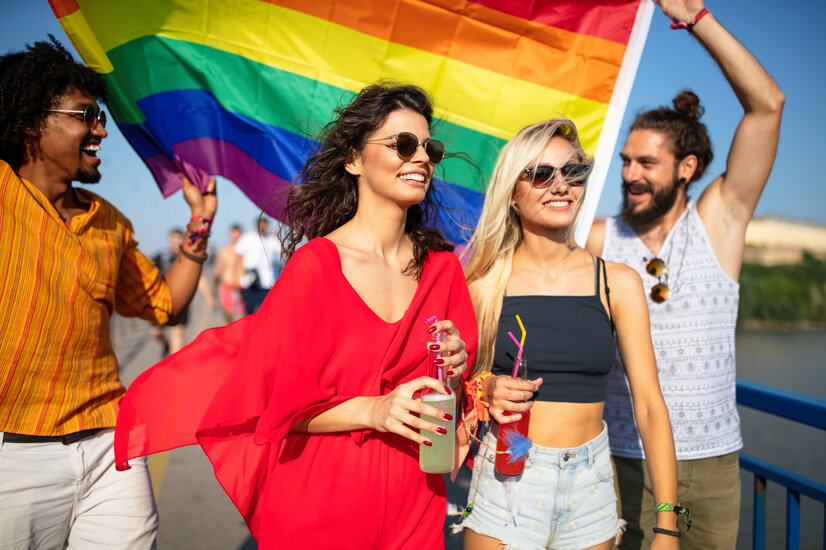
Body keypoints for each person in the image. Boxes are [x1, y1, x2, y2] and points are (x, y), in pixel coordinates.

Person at [114, 83, 477, 549]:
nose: (422, 157)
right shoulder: (316, 266)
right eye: (402, 144)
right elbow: (277, 410)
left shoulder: (443, 267)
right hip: (320, 504)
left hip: (416, 501)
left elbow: (462, 391)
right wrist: (375, 409)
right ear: (353, 160)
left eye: (430, 147)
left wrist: (460, 366)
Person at [0, 37, 217, 548]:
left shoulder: (110, 223)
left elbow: (166, 304)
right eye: (87, 115)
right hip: (13, 460)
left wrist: (201, 220)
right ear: (32, 122)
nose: (101, 130)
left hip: (111, 451)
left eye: (100, 117)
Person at [585, 2, 785, 548]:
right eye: (626, 161)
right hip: (621, 456)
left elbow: (767, 106)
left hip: (712, 465)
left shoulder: (719, 221)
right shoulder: (600, 238)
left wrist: (696, 16)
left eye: (646, 163)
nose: (629, 175)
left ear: (686, 168)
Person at [458, 118, 680, 550]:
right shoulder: (483, 284)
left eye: (573, 172)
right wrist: (487, 388)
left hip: (589, 482)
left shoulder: (618, 282)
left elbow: (651, 405)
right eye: (542, 174)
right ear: (513, 191)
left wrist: (667, 525)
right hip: (508, 474)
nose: (561, 185)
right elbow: (456, 390)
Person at [150, 228, 217, 356]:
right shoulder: (160, 257)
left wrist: (209, 297)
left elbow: (199, 278)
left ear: (182, 240)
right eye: (173, 239)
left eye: (178, 239)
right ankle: (166, 344)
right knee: (155, 332)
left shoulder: (187, 258)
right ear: (169, 240)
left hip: (180, 299)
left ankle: (174, 365)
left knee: (177, 333)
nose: (175, 242)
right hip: (160, 300)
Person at [235, 216, 281, 314]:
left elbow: (283, 254)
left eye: (265, 224)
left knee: (266, 314)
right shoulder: (247, 238)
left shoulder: (272, 239)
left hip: (267, 283)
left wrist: (279, 238)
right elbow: (238, 257)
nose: (263, 226)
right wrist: (238, 277)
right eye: (261, 224)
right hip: (249, 282)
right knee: (249, 313)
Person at [213, 223, 246, 323]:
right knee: (228, 315)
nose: (236, 235)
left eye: (238, 233)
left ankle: (242, 337)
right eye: (234, 233)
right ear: (230, 234)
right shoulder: (224, 251)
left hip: (240, 286)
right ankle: (229, 337)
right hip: (226, 285)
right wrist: (213, 292)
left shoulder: (245, 250)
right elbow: (217, 271)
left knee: (242, 315)